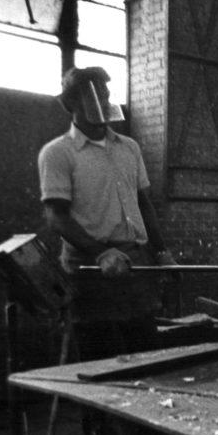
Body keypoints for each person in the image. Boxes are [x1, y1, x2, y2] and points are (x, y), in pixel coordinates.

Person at [38, 66, 178, 358]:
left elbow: (143, 203)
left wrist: (162, 251)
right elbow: (57, 216)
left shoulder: (129, 148)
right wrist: (100, 253)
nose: (103, 103)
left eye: (105, 95)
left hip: (135, 266)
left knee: (147, 355)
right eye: (93, 97)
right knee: (102, 362)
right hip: (90, 270)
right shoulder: (57, 153)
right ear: (71, 104)